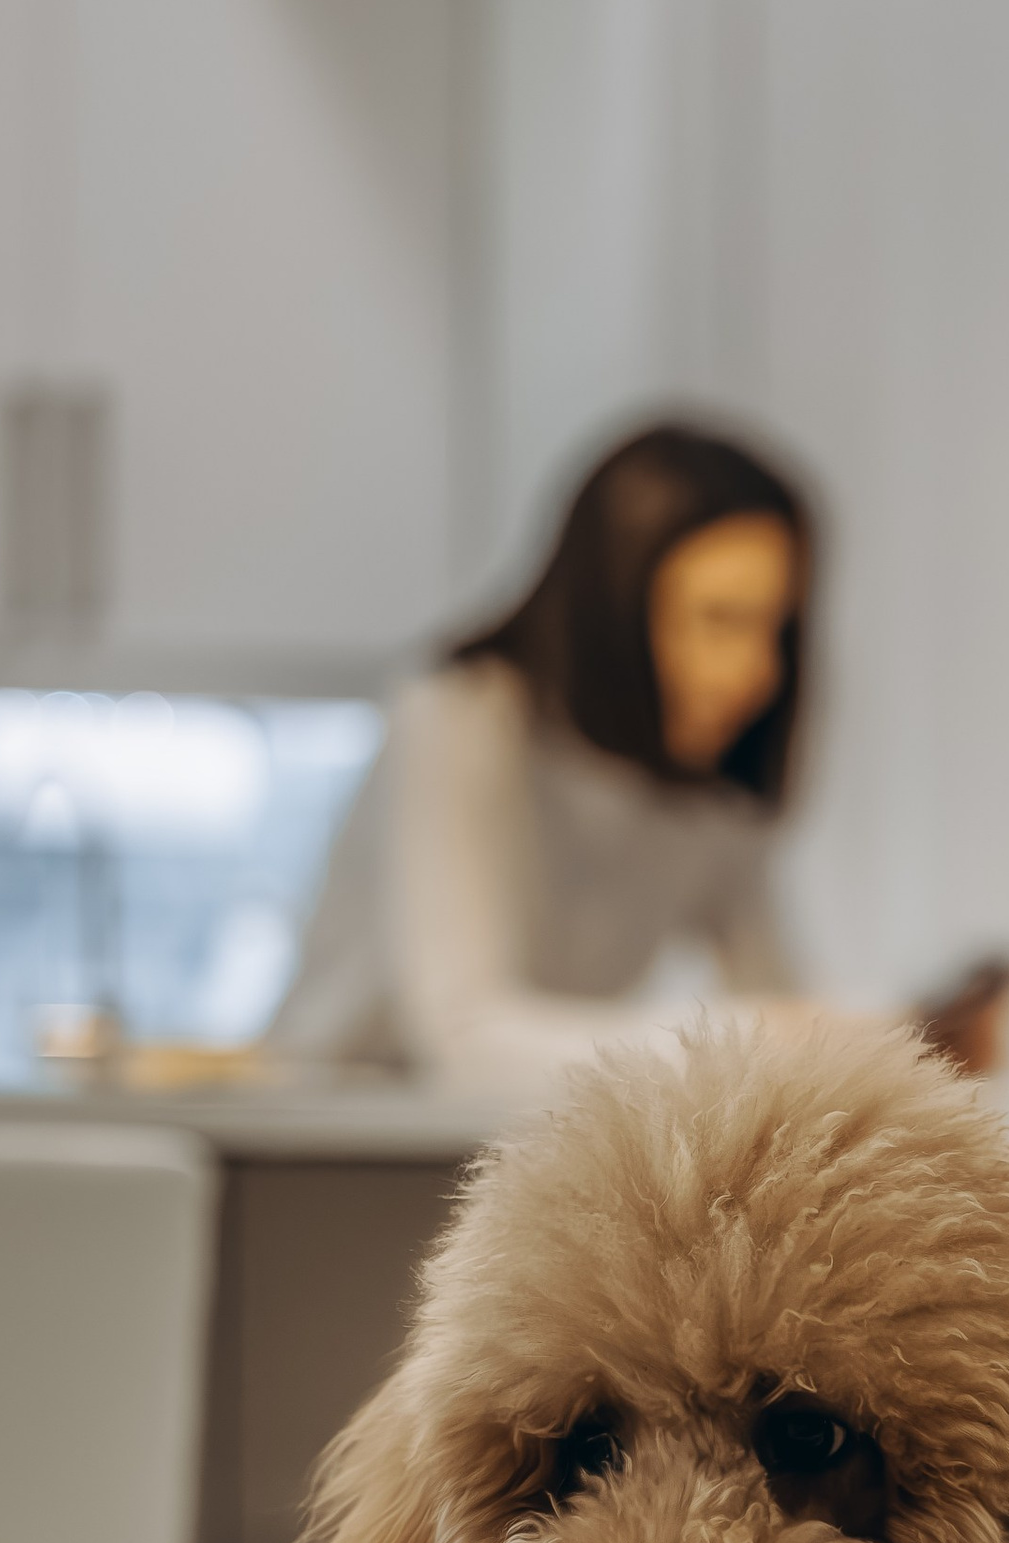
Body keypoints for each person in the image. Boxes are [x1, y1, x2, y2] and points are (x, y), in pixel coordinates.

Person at [274, 422, 813, 1089]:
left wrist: (874, 1043)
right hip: (332, 1118)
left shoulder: (711, 791)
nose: (757, 672)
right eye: (719, 620)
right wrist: (753, 1040)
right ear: (614, 602)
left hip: (515, 1124)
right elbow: (463, 1035)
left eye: (776, 627)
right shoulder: (462, 714)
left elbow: (783, 1007)